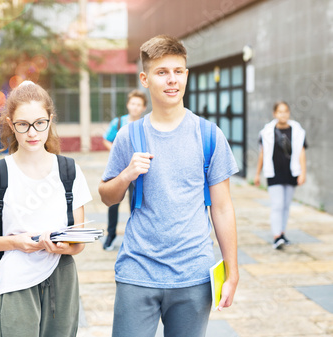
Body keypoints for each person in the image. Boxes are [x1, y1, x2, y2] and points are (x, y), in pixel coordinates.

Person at [98, 35, 239, 337]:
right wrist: (127, 174)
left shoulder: (209, 135)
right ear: (145, 79)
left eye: (178, 71)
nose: (172, 80)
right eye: (162, 72)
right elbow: (107, 196)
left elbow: (224, 209)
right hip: (137, 271)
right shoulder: (129, 135)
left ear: (187, 74)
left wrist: (232, 272)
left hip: (193, 275)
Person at [0, 81, 92, 337]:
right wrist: (15, 242)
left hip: (61, 274)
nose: (32, 132)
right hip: (15, 278)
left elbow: (79, 242)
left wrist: (63, 246)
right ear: (11, 124)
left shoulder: (69, 171)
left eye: (40, 123)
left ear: (50, 120)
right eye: (23, 124)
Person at [254, 101, 306, 249]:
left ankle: (282, 233)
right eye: (280, 111)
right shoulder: (266, 132)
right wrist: (257, 174)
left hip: (292, 173)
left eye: (286, 111)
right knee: (277, 205)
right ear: (274, 114)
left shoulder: (297, 130)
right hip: (274, 174)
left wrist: (303, 172)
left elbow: (302, 152)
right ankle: (276, 236)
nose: (283, 114)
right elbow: (262, 154)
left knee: (286, 205)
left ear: (289, 113)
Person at [102, 90, 147, 250]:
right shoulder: (119, 123)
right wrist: (117, 152)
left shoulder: (145, 124)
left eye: (138, 105)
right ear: (128, 105)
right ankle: (111, 235)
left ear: (143, 107)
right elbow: (107, 140)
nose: (135, 107)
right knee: (113, 204)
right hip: (119, 171)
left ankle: (136, 238)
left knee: (135, 204)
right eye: (132, 103)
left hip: (138, 172)